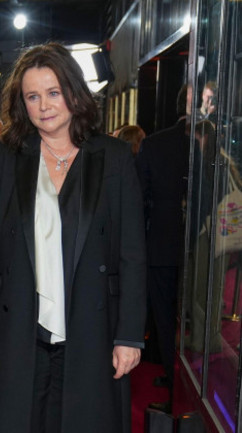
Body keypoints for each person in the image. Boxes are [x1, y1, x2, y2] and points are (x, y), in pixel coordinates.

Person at [0, 42, 146, 433]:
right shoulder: (5, 157)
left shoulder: (113, 158)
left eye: (53, 92)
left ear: (74, 93)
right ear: (22, 104)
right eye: (33, 96)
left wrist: (130, 335)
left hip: (92, 330)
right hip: (17, 330)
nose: (44, 105)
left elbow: (133, 253)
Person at [135, 86, 190, 412]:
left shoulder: (155, 144)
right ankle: (182, 378)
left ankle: (174, 376)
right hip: (203, 244)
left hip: (160, 245)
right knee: (195, 314)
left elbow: (140, 200)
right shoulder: (216, 143)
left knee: (166, 315)